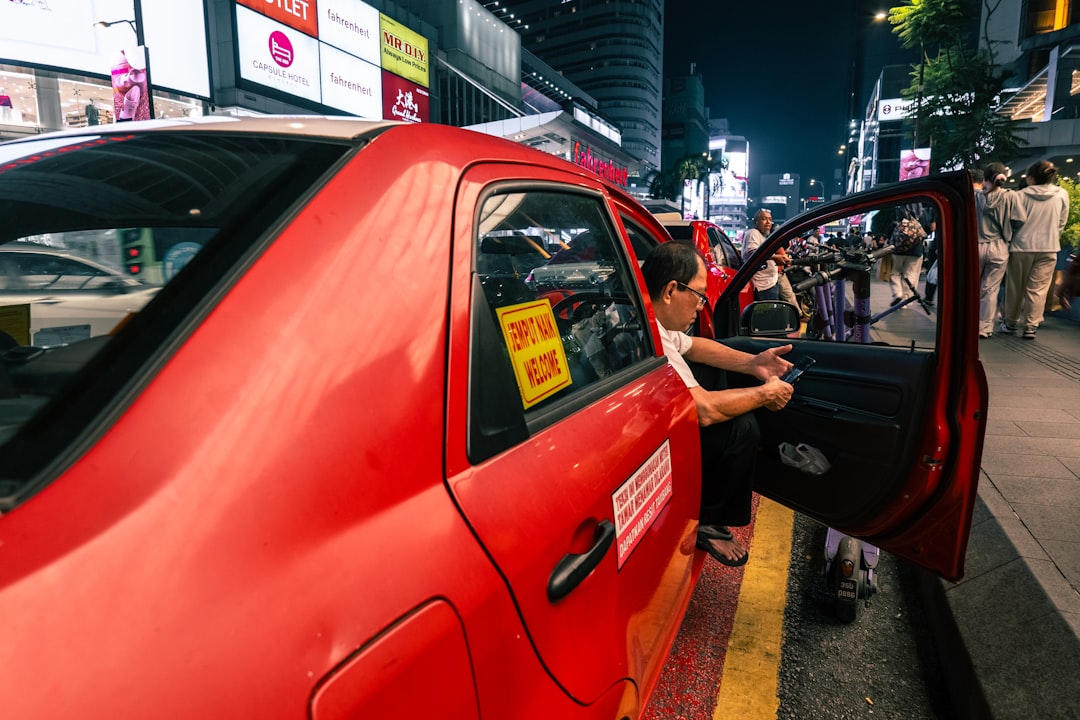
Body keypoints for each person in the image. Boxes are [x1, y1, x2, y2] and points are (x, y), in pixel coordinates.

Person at [641, 242, 794, 566]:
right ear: (670, 290)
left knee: (713, 368)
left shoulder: (649, 320)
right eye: (698, 295)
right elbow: (705, 410)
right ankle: (708, 521)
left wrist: (754, 363)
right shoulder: (653, 337)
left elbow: (697, 348)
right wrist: (765, 394)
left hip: (642, 421)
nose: (700, 307)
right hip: (641, 439)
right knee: (741, 427)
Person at [1001, 159, 1069, 339]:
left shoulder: (1019, 196)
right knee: (1038, 288)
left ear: (1030, 178)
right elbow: (1062, 222)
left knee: (1015, 287)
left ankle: (1010, 322)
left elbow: (1013, 222)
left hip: (1021, 246)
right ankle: (1031, 325)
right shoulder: (1061, 194)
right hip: (1048, 247)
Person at [977, 163, 1023, 338]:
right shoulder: (1011, 196)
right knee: (990, 289)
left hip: (977, 245)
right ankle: (984, 328)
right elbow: (1019, 220)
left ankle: (967, 323)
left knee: (973, 286)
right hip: (999, 246)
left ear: (985, 179)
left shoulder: (975, 197)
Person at [743, 209, 786, 300]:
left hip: (770, 283)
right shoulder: (753, 233)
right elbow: (752, 252)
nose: (768, 222)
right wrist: (774, 257)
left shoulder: (764, 236)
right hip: (762, 286)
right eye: (764, 219)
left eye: (770, 219)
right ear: (756, 222)